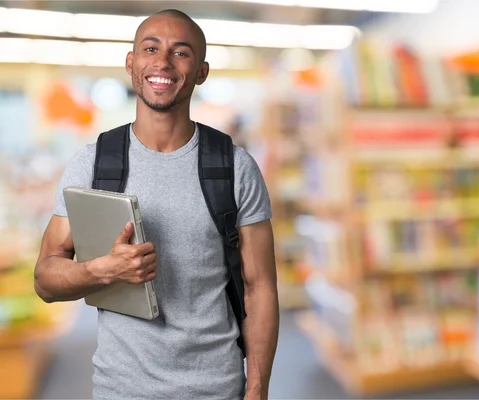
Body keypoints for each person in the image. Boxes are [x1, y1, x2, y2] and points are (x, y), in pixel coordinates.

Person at [33, 9, 279, 400]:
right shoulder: (94, 162)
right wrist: (101, 270)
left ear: (201, 71)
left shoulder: (235, 167)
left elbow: (260, 286)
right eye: (151, 48)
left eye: (181, 52)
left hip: (217, 387)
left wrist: (256, 388)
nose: (162, 61)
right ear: (132, 64)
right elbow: (45, 279)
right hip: (121, 388)